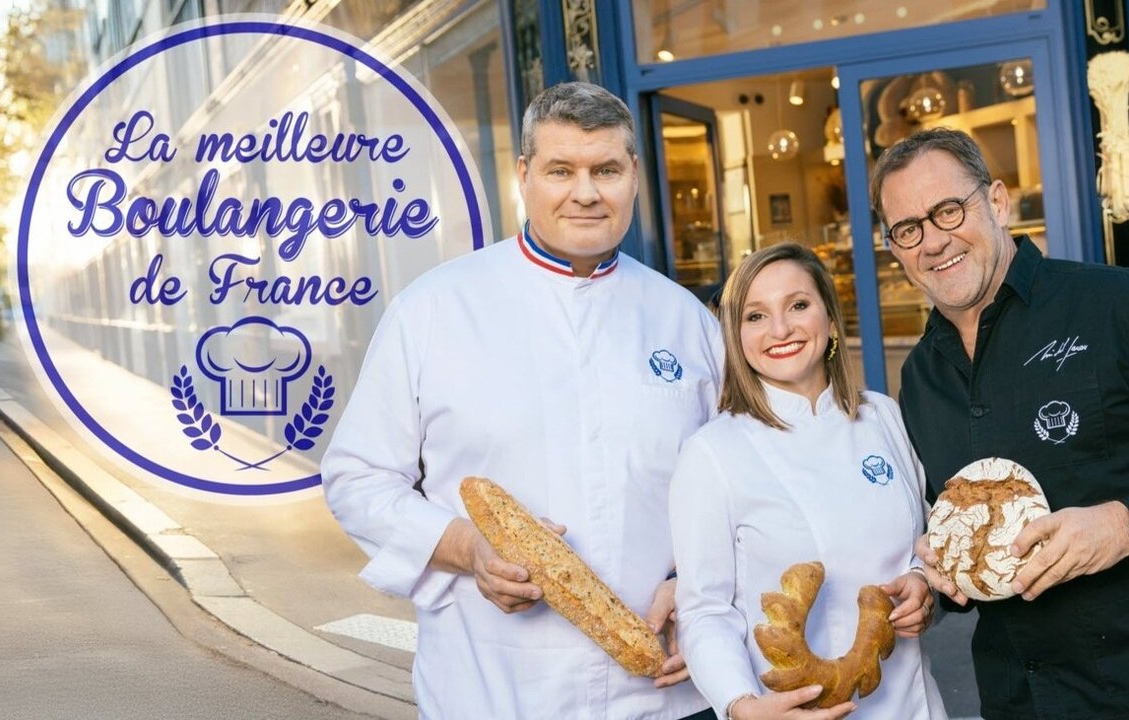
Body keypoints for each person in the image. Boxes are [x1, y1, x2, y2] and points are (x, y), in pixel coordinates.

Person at [321, 81, 722, 719]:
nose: (586, 192)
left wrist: (695, 584)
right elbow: (358, 478)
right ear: (524, 175)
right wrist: (466, 546)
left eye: (607, 170)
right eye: (561, 170)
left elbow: (729, 487)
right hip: (491, 687)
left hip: (666, 693)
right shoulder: (434, 309)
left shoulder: (685, 320)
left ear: (635, 176)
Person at [871, 127, 1129, 719]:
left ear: (998, 201)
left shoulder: (1119, 307)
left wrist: (1126, 524)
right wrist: (937, 580)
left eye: (948, 211)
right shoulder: (924, 376)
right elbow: (959, 523)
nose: (933, 241)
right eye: (909, 229)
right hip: (1021, 700)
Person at [669, 242, 948, 720]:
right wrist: (741, 706)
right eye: (755, 316)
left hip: (913, 704)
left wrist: (924, 587)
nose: (780, 330)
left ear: (830, 317)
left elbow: (923, 541)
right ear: (735, 337)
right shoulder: (713, 453)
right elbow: (704, 611)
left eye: (798, 305)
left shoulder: (882, 414)